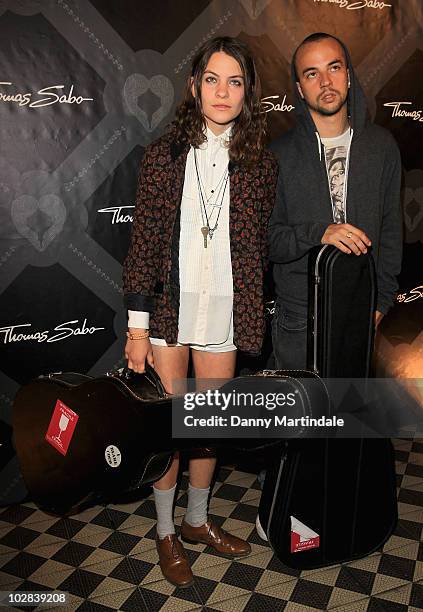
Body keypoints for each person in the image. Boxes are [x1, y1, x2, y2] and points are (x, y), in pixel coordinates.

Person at [122, 37, 278, 587]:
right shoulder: (163, 156)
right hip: (168, 314)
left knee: (208, 424)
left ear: (247, 92)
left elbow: (266, 244)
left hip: (226, 314)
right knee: (170, 426)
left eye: (234, 81)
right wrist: (136, 327)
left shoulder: (260, 164)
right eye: (212, 78)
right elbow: (143, 245)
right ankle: (165, 530)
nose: (222, 91)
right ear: (194, 86)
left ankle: (195, 521)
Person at [268, 32, 402, 371]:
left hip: (360, 315)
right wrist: (319, 232)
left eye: (334, 67)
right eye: (311, 73)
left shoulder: (382, 147)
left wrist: (380, 304)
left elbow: (391, 232)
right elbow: (267, 242)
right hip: (299, 321)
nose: (325, 81)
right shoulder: (277, 156)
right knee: (298, 422)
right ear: (299, 87)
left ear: (348, 74)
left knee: (349, 420)